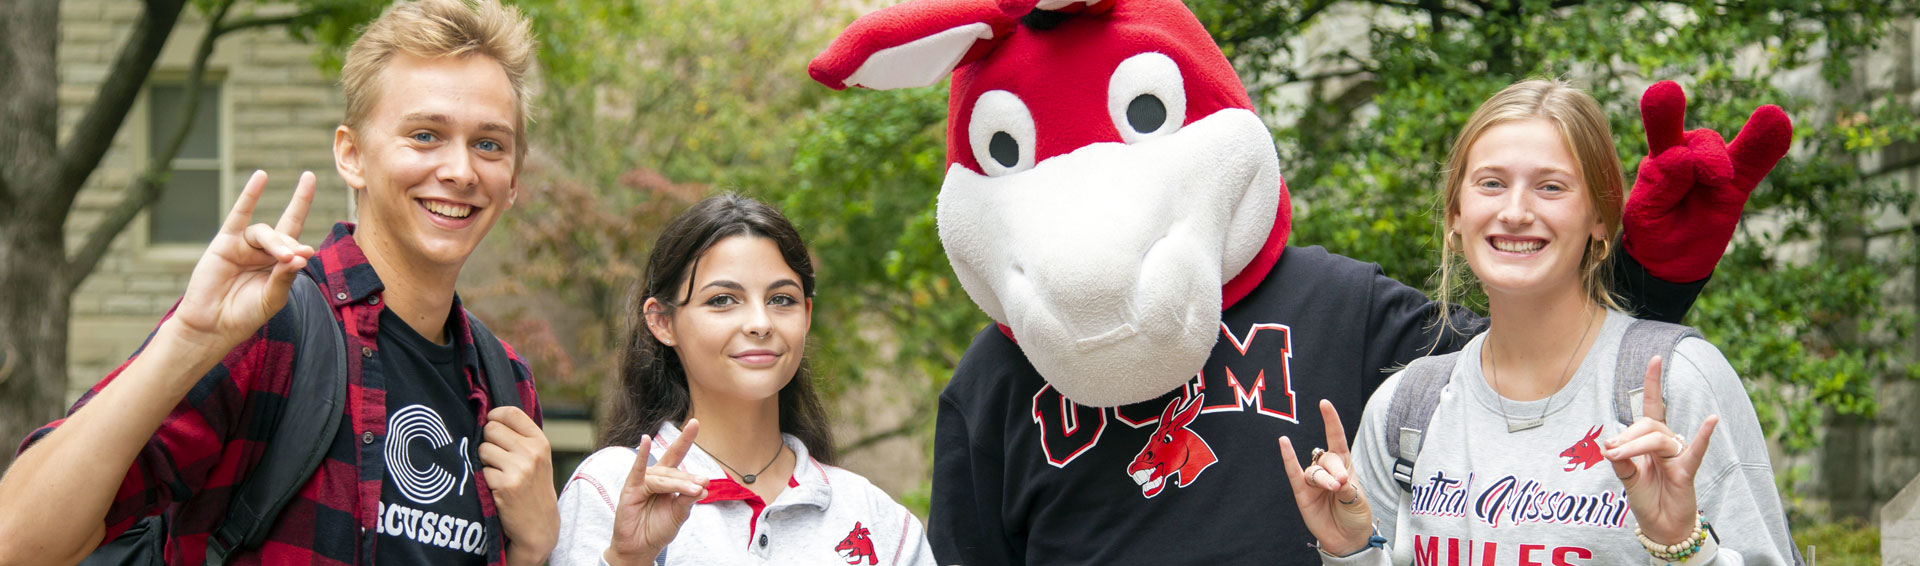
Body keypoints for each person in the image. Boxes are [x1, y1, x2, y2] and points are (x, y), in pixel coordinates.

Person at [0, 1, 559, 564]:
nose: (461, 171)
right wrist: (188, 342)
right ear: (352, 155)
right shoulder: (270, 326)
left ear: (511, 181)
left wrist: (533, 550)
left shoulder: (505, 385)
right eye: (424, 134)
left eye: (489, 144)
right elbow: (18, 543)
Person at [1279, 79, 1795, 565]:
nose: (1516, 211)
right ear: (1456, 215)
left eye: (1550, 187)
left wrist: (1682, 545)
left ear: (1600, 218)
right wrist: (1352, 552)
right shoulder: (1406, 410)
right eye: (1491, 184)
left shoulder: (1676, 381)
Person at [550, 194, 935, 566]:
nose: (760, 323)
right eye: (722, 300)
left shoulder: (877, 520)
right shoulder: (610, 489)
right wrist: (627, 561)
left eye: (781, 300)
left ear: (806, 314)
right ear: (662, 322)